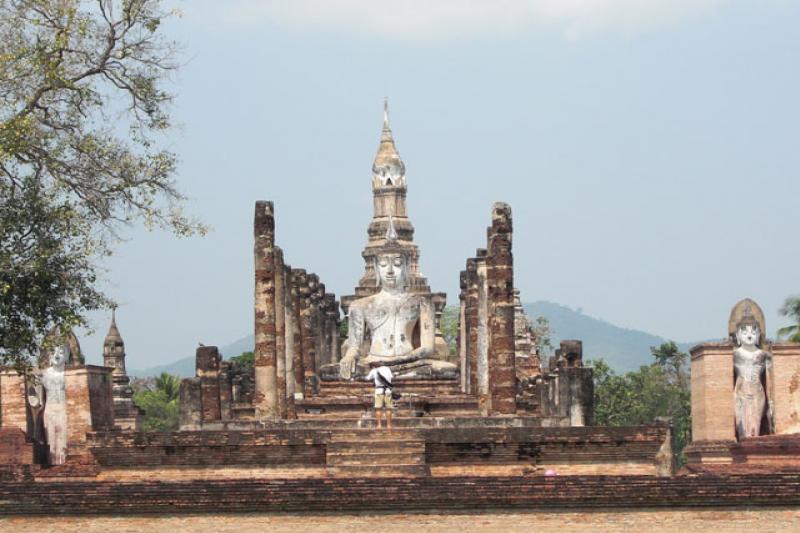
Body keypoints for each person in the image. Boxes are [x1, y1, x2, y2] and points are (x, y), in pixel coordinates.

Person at [366, 362, 393, 429]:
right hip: (388, 391)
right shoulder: (387, 369)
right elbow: (390, 378)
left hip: (379, 391)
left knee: (378, 409)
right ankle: (389, 425)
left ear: (373, 366)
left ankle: (379, 425)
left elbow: (367, 378)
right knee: (388, 408)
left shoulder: (374, 370)